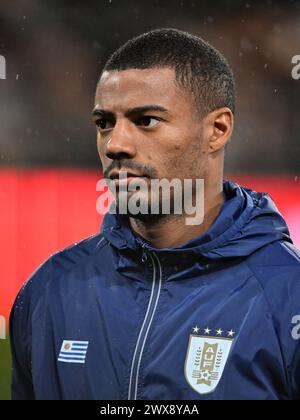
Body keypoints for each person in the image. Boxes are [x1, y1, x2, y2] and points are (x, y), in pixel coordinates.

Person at [10, 28, 300, 400]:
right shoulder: (49, 290)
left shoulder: (288, 295)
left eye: (145, 120)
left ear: (217, 129)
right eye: (104, 123)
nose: (115, 144)